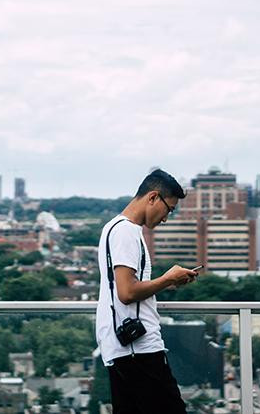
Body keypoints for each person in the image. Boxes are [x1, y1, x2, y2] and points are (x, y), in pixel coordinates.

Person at [95, 168, 198, 414]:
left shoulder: (115, 227)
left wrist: (169, 281)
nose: (166, 218)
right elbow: (127, 291)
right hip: (137, 350)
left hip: (126, 349)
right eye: (168, 209)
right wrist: (168, 279)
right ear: (153, 197)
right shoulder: (126, 231)